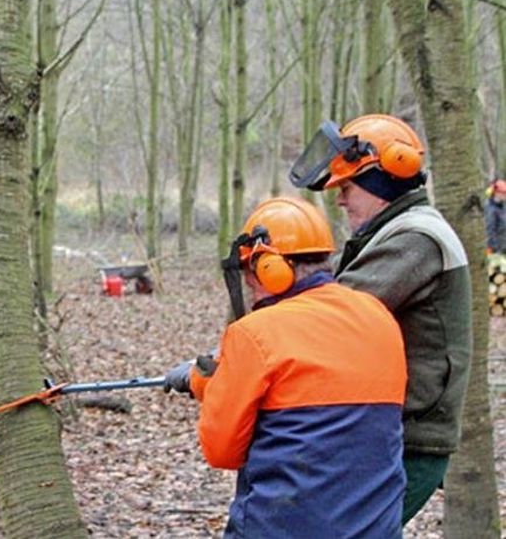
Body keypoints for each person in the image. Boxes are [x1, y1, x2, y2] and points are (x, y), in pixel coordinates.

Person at [166, 197, 407, 537]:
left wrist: (215, 388)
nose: (249, 284)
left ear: (270, 269)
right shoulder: (380, 317)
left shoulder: (254, 333)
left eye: (250, 272)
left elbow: (222, 451)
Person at [288, 113, 472, 526]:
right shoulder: (390, 235)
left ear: (382, 184)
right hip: (386, 434)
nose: (340, 199)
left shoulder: (416, 239)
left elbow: (329, 316)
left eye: (348, 188)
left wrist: (232, 357)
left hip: (411, 439)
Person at [485, 179, 506, 254]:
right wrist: (495, 249)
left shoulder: (503, 206)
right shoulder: (491, 209)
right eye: (503, 193)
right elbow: (490, 230)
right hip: (497, 249)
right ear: (497, 193)